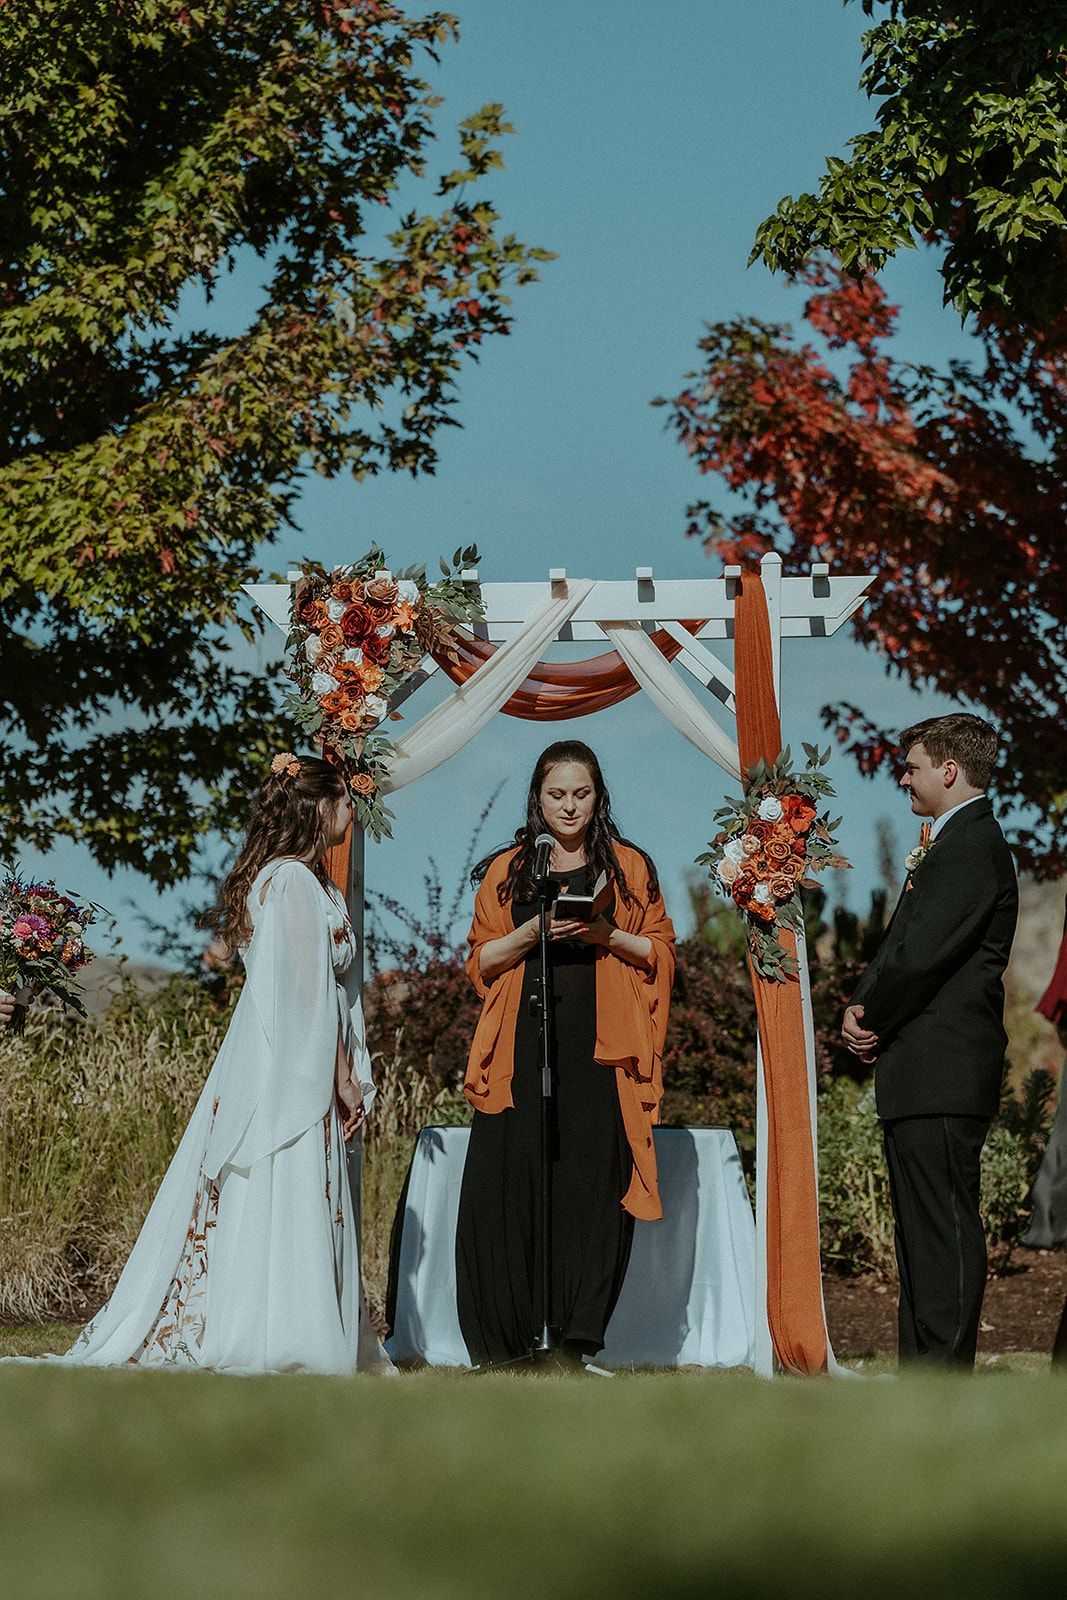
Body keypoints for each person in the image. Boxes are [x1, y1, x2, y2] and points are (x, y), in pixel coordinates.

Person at [51, 753, 387, 1375]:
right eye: (343, 799)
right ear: (316, 807)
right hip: (290, 1068)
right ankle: (280, 1333)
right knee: (284, 1182)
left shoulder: (295, 880)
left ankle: (287, 1320)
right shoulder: (289, 881)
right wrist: (341, 1076)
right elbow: (305, 991)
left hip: (289, 1062)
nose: (351, 811)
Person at [456, 739, 675, 1368]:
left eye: (582, 794)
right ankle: (507, 1343)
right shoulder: (510, 868)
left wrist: (607, 934)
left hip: (601, 1053)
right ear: (538, 798)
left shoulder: (631, 866)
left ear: (599, 796)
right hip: (522, 1049)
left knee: (590, 1186)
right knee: (507, 1186)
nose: (570, 806)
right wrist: (529, 933)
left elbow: (660, 952)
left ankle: (575, 1340)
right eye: (557, 794)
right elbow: (480, 962)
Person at [841, 714, 1018, 1368]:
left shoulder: (972, 845)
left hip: (943, 1069)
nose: (903, 776)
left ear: (948, 769)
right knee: (920, 1235)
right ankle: (921, 1377)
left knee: (942, 1228)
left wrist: (867, 1014)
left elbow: (919, 957)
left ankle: (942, 1379)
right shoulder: (951, 844)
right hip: (919, 1071)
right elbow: (904, 949)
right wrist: (865, 1007)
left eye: (911, 764)